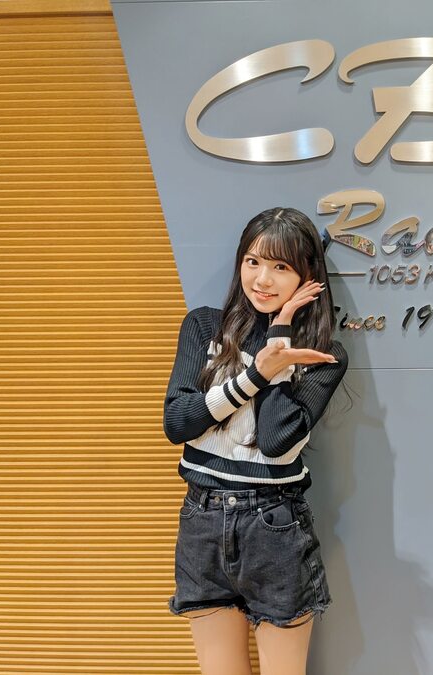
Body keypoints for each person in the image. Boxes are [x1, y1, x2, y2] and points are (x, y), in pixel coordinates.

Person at [163, 207, 348, 675]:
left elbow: (275, 439)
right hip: (202, 520)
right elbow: (178, 423)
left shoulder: (323, 355)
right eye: (253, 261)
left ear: (307, 276)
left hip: (275, 525)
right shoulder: (204, 328)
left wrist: (279, 341)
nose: (262, 279)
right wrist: (255, 376)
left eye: (280, 266)